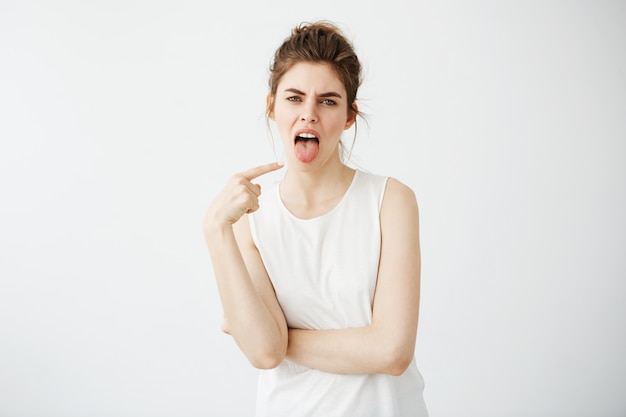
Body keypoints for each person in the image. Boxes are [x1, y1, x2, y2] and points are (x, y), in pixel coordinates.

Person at [203, 21, 428, 417]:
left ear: (348, 116)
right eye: (294, 98)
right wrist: (215, 228)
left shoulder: (391, 201)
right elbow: (262, 354)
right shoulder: (249, 219)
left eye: (327, 101)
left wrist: (275, 335)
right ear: (272, 107)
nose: (308, 114)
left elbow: (392, 352)